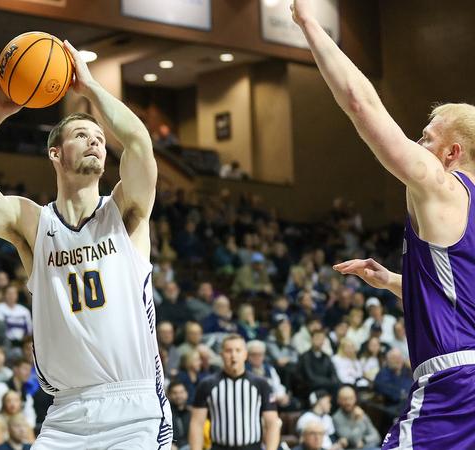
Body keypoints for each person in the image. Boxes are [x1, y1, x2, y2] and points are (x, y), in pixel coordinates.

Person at [0, 40, 171, 448]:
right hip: (65, 412)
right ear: (55, 153)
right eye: (83, 135)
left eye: (100, 137)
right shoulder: (31, 222)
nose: (97, 142)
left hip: (133, 407)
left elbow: (138, 142)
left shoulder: (125, 210)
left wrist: (91, 87)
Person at [294, 0, 475, 447]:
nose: (417, 142)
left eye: (427, 138)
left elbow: (361, 103)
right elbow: (463, 297)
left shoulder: (443, 186)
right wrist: (399, 282)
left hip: (454, 387)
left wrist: (308, 22)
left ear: (451, 153)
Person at [189, 334, 280, 450]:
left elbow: (272, 423)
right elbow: (196, 423)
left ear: (245, 354)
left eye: (238, 350)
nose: (233, 355)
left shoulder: (261, 384)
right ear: (221, 354)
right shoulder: (207, 384)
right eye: (228, 351)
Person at [332, 386, 380, 450]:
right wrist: (357, 420)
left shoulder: (360, 412)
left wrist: (364, 440)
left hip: (370, 447)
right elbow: (354, 441)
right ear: (338, 400)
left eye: (351, 398)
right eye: (345, 399)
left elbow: (377, 436)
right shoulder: (337, 418)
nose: (348, 402)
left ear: (355, 398)